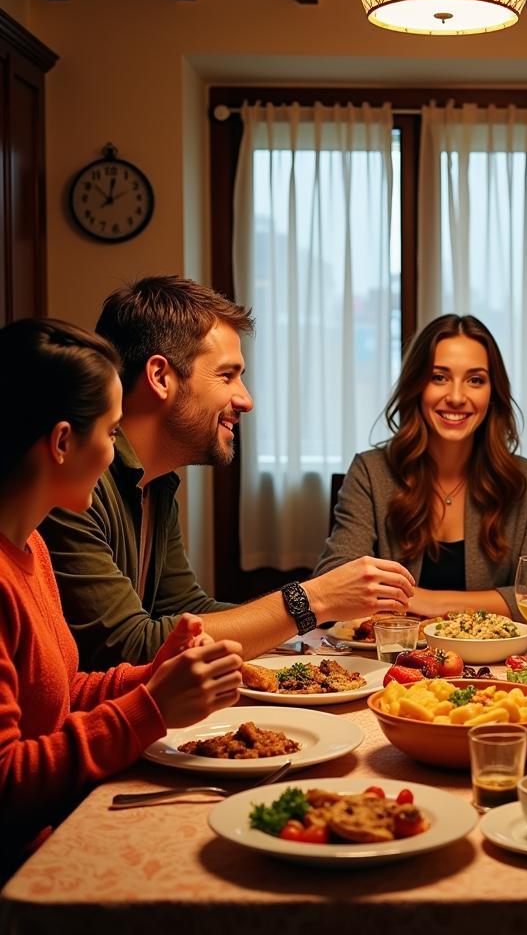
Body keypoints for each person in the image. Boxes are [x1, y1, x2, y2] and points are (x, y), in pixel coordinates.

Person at [40, 277, 414, 669]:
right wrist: (311, 601)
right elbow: (128, 644)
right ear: (160, 377)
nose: (246, 399)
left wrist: (301, 628)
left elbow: (188, 609)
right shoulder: (76, 483)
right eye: (226, 375)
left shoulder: (157, 483)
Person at [1, 319, 244, 875]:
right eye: (111, 434)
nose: (117, 456)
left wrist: (153, 674)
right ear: (62, 442)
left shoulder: (31, 548)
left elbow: (61, 694)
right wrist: (152, 708)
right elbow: (8, 783)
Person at [315, 314, 527, 621]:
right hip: (387, 663)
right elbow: (332, 582)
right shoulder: (370, 472)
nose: (456, 397)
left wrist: (426, 601)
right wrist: (478, 602)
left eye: (475, 380)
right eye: (439, 377)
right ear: (417, 386)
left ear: (492, 393)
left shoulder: (526, 479)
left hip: (494, 664)